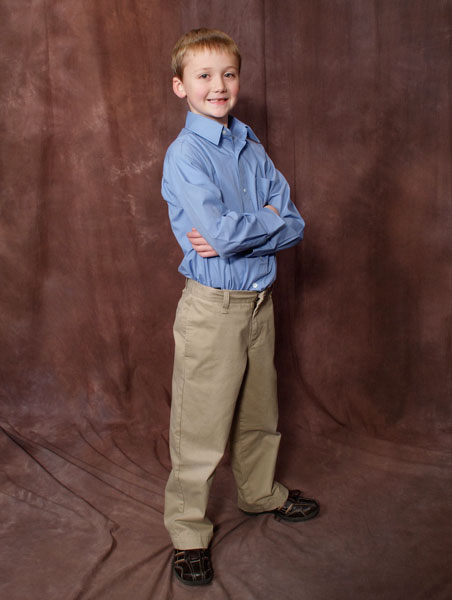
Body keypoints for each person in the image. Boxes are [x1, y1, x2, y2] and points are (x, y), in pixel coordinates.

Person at [161, 28, 319, 587]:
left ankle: (258, 492)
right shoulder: (186, 154)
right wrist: (267, 222)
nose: (218, 85)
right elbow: (222, 236)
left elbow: (294, 223)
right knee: (201, 426)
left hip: (259, 303)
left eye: (228, 74)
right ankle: (188, 531)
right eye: (203, 75)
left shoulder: (250, 144)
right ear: (181, 86)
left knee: (259, 412)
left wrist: (259, 225)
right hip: (214, 308)